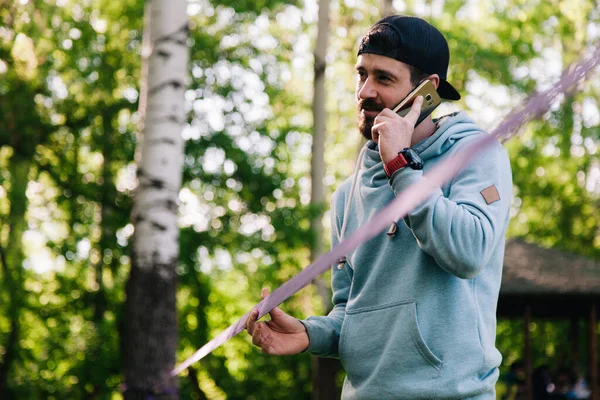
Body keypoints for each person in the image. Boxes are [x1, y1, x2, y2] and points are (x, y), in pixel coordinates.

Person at [246, 14, 512, 399]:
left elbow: (468, 253)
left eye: (383, 78)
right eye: (361, 75)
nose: (365, 91)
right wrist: (311, 334)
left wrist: (401, 167)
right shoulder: (346, 195)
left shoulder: (476, 155)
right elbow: (350, 311)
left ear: (426, 91)